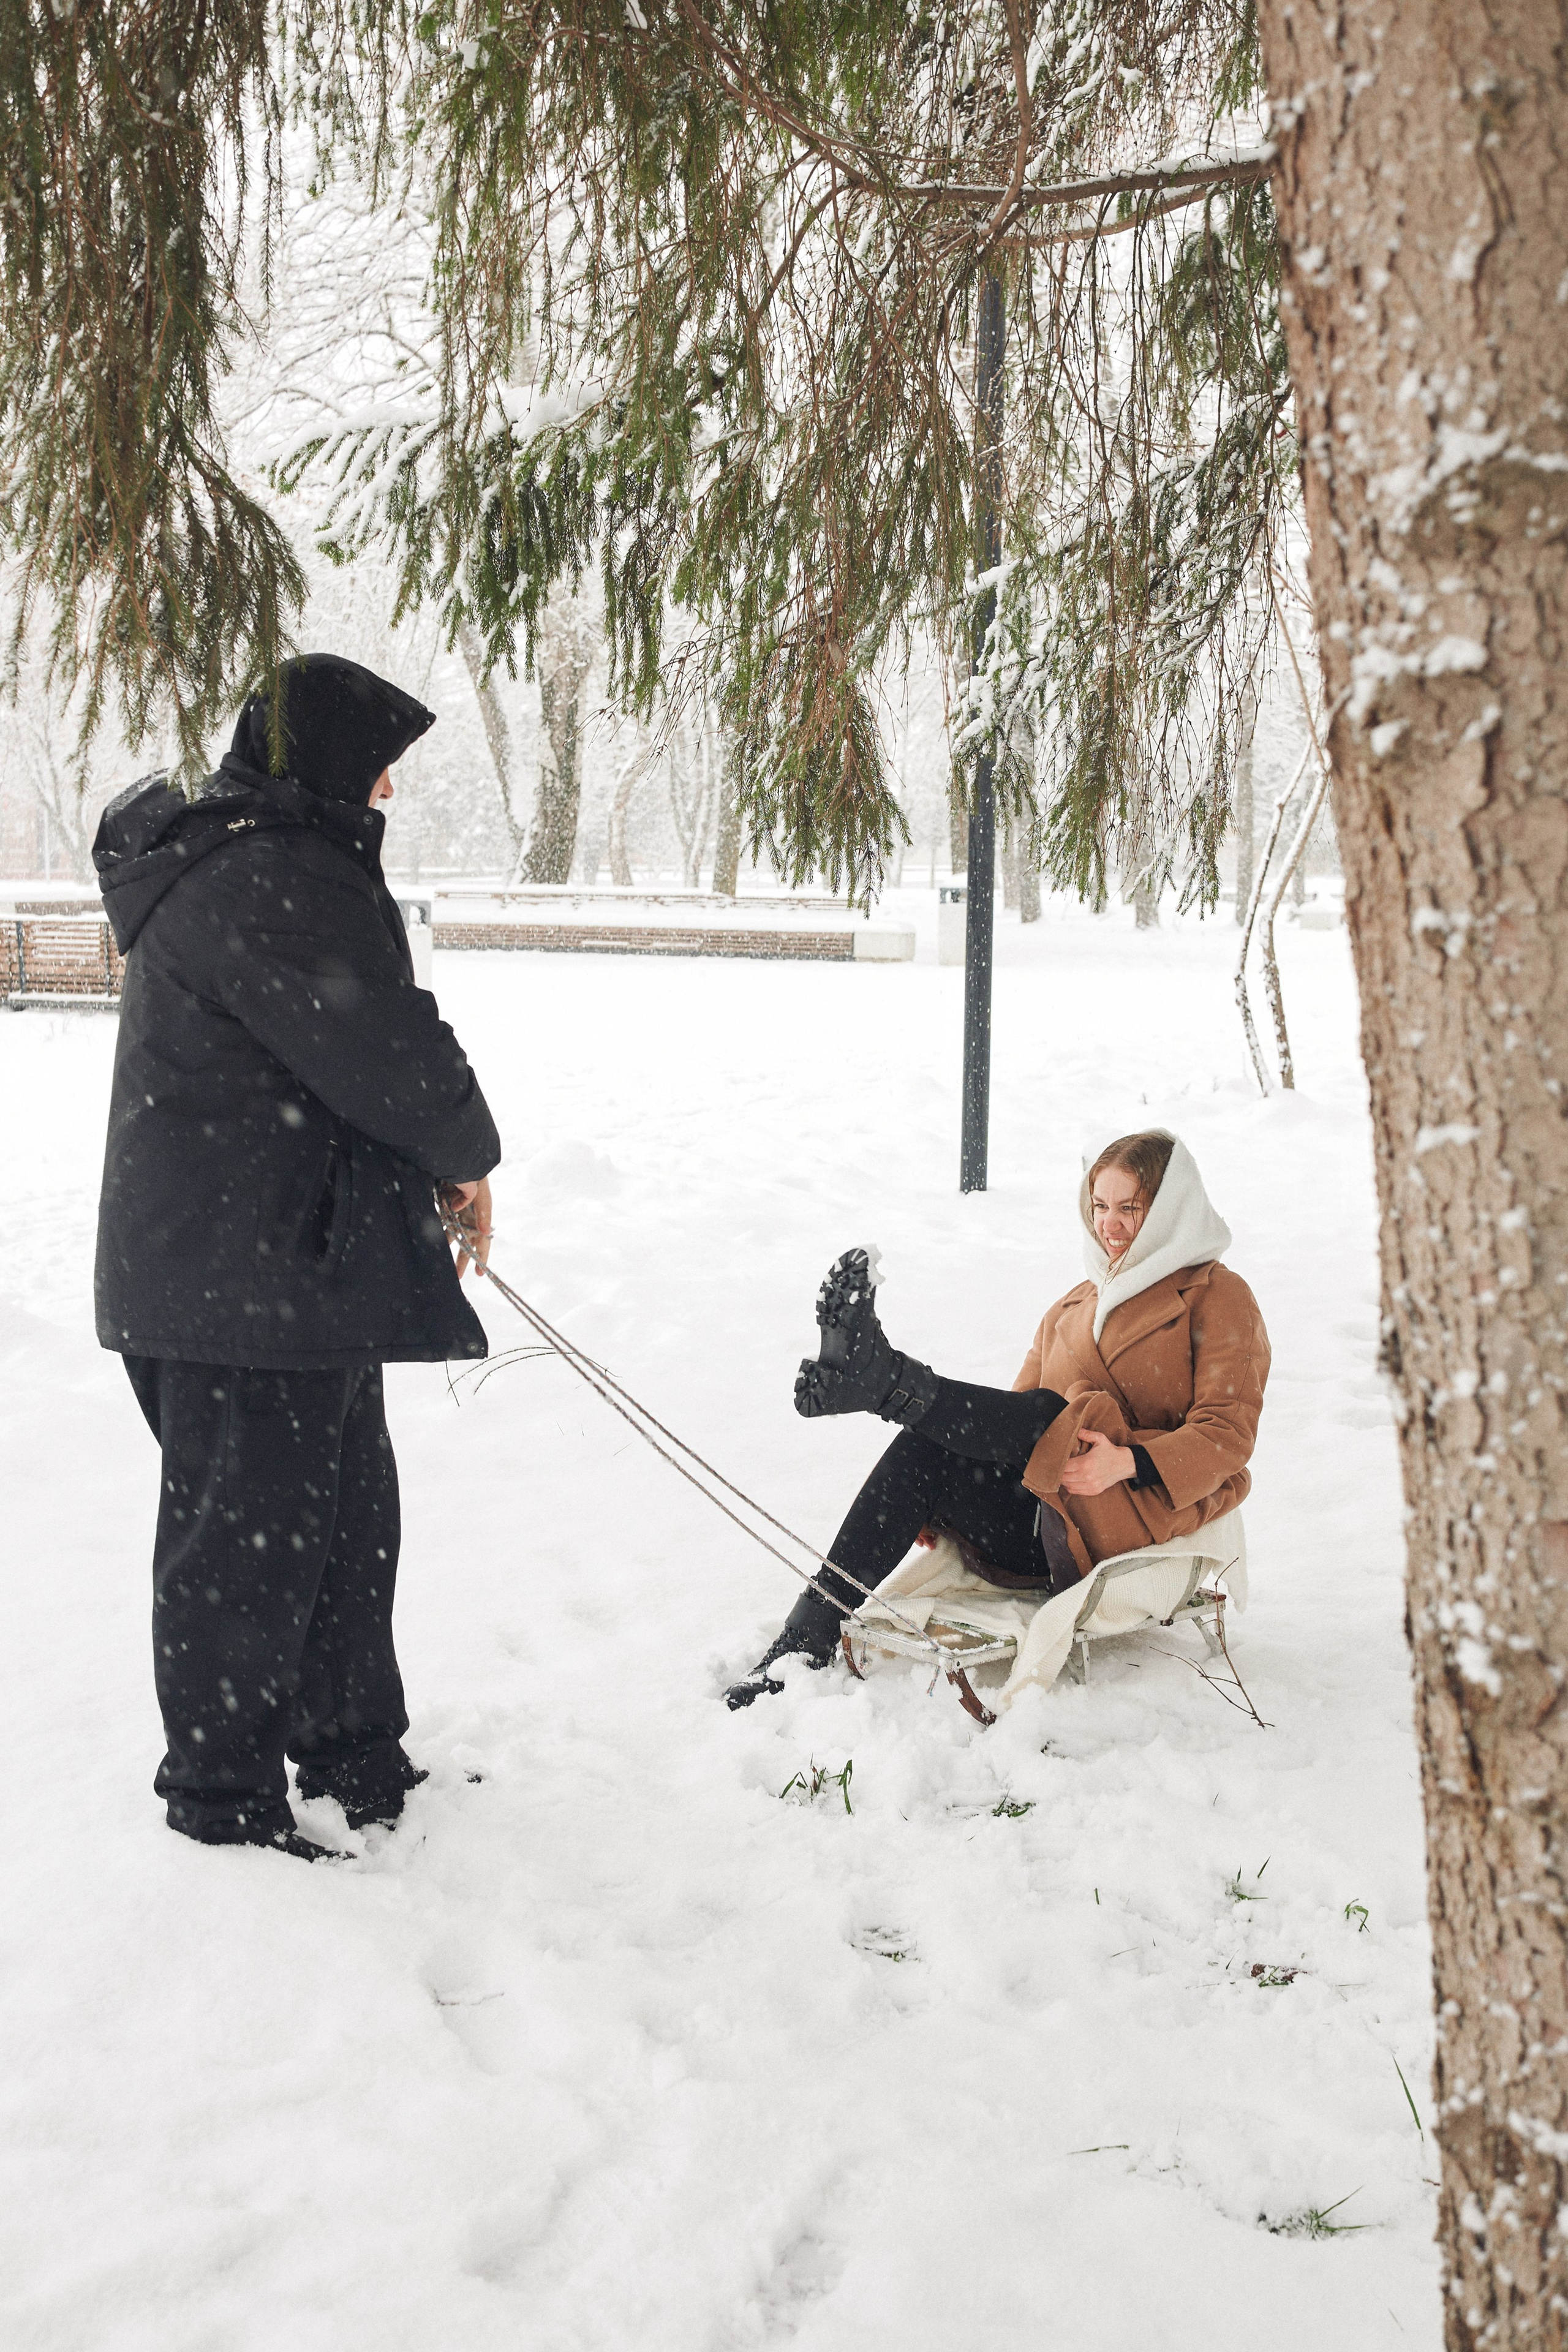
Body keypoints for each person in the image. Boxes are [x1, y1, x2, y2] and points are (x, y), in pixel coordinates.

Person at [94, 655, 502, 1858]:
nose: (385, 785)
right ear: (320, 759)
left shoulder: (255, 857)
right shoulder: (267, 874)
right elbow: (387, 1049)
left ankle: (351, 1751)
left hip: (287, 1271)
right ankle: (221, 1799)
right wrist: (463, 1154)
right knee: (246, 1546)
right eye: (375, 761)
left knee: (338, 1526)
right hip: (240, 1284)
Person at [726, 1129, 1269, 1707]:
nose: (1110, 1225)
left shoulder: (1217, 1296)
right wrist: (942, 1494)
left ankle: (884, 1382)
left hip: (1130, 1516)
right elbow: (1006, 1426)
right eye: (1100, 1207)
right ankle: (802, 1640)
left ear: (1169, 1209)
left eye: (1130, 1209)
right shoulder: (1071, 1307)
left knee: (1052, 1412)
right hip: (1041, 1527)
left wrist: (1126, 1462)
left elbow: (1227, 1435)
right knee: (925, 1451)